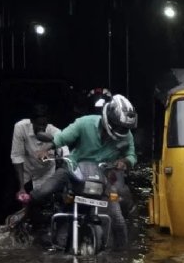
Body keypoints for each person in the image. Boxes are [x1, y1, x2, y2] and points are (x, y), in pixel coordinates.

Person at [27, 94, 138, 249]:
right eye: (119, 126)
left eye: (125, 128)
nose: (122, 130)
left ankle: (121, 257)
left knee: (118, 218)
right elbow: (61, 138)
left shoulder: (126, 136)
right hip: (74, 168)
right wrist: (46, 149)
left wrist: (124, 162)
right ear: (109, 120)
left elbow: (131, 155)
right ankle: (26, 219)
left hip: (103, 176)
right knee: (42, 192)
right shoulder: (85, 123)